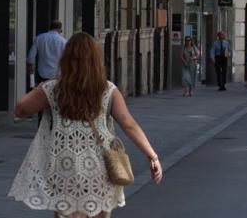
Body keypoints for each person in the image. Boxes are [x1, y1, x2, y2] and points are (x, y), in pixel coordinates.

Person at [9, 32, 164, 215]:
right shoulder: (108, 90)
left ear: (66, 60)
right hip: (100, 169)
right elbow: (129, 124)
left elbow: (21, 109)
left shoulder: (53, 90)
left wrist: (41, 89)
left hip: (65, 169)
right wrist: (152, 156)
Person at [27, 20, 68, 86]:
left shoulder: (39, 38)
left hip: (42, 74)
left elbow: (31, 55)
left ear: (50, 27)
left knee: (42, 93)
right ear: (60, 29)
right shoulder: (63, 41)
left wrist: (30, 68)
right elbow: (67, 58)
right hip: (57, 74)